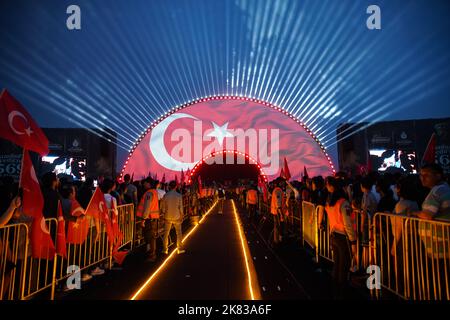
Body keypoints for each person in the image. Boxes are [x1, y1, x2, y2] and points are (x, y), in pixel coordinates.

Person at [323, 176, 356, 298]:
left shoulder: (329, 201)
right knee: (345, 266)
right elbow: (348, 223)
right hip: (343, 237)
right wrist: (353, 241)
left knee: (337, 265)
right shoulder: (343, 202)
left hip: (333, 235)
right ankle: (342, 293)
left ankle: (335, 291)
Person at [136, 178, 160, 261]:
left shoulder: (149, 193)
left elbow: (147, 207)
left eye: (145, 183)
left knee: (150, 237)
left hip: (149, 218)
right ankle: (151, 253)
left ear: (148, 184)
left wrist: (143, 219)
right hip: (152, 218)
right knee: (151, 236)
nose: (143, 184)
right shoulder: (154, 192)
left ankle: (152, 255)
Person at [161, 181, 185, 254]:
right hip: (177, 216)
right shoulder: (179, 195)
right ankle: (179, 249)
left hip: (167, 216)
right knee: (179, 233)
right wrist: (182, 215)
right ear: (176, 186)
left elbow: (163, 208)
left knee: (166, 233)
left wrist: (164, 214)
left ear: (169, 186)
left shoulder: (166, 195)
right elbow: (181, 207)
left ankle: (165, 249)